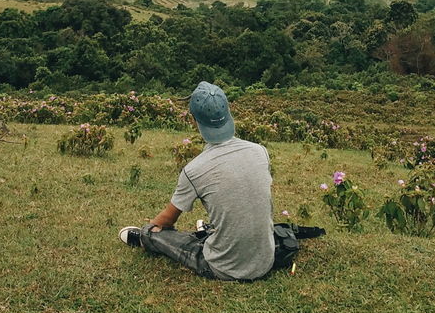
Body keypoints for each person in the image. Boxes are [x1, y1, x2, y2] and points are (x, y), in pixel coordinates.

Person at [118, 80, 323, 281]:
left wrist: (153, 228)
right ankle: (208, 232)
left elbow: (168, 220)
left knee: (155, 232)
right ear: (228, 112)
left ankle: (146, 238)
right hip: (266, 259)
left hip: (223, 267)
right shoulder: (260, 151)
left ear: (193, 120)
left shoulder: (194, 169)